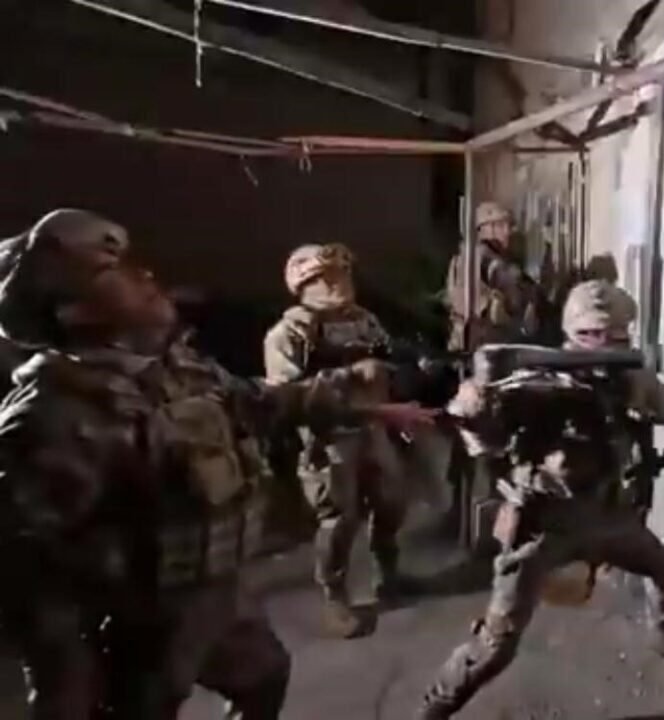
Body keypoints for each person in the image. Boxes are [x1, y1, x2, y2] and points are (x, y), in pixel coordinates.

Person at [0, 209, 434, 718]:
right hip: (139, 623)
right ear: (75, 311)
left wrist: (370, 396)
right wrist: (63, 678)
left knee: (265, 676)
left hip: (215, 596)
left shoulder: (175, 366)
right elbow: (26, 573)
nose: (145, 276)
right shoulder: (56, 414)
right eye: (114, 271)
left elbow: (259, 402)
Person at [416, 280, 664, 719]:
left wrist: (638, 386)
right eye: (591, 334)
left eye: (613, 334)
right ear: (572, 332)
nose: (602, 343)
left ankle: (662, 631)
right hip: (543, 526)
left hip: (606, 517)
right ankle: (433, 708)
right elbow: (488, 444)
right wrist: (475, 413)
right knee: (497, 644)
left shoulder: (624, 378)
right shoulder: (533, 381)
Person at [263, 243, 433, 637]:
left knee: (391, 502)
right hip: (330, 438)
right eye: (327, 278)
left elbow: (389, 357)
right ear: (304, 285)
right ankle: (334, 595)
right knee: (339, 518)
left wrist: (408, 370)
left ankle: (388, 576)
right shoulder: (289, 333)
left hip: (374, 427)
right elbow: (284, 397)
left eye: (343, 274)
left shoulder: (364, 321)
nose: (339, 283)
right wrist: (351, 376)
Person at [445, 201, 541, 352]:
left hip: (485, 345)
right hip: (483, 346)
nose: (507, 232)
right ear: (484, 229)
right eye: (500, 226)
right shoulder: (480, 258)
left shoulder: (483, 258)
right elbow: (498, 307)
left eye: (508, 226)